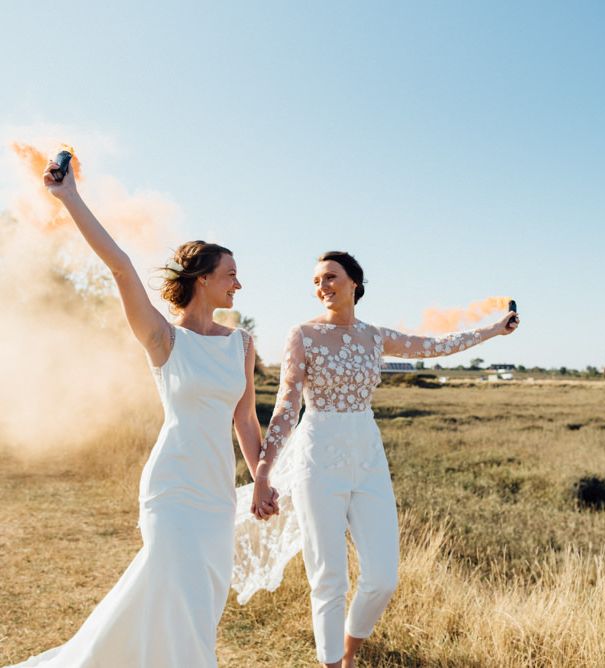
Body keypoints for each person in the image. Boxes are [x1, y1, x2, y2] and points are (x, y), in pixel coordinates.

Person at [6, 160, 277, 667]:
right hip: (172, 488)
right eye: (230, 275)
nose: (238, 285)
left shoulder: (241, 343)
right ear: (201, 279)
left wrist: (260, 477)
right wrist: (70, 198)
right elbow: (121, 266)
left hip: (216, 493)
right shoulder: (162, 337)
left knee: (197, 603)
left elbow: (245, 420)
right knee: (174, 587)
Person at [234, 251, 519, 668]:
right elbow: (285, 407)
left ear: (354, 282)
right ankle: (333, 664)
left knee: (383, 578)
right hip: (319, 456)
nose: (322, 286)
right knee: (329, 577)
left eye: (330, 277)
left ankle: (349, 652)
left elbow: (436, 346)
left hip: (367, 453)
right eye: (316, 281)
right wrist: (263, 471)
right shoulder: (302, 335)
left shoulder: (375, 336)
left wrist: (493, 330)